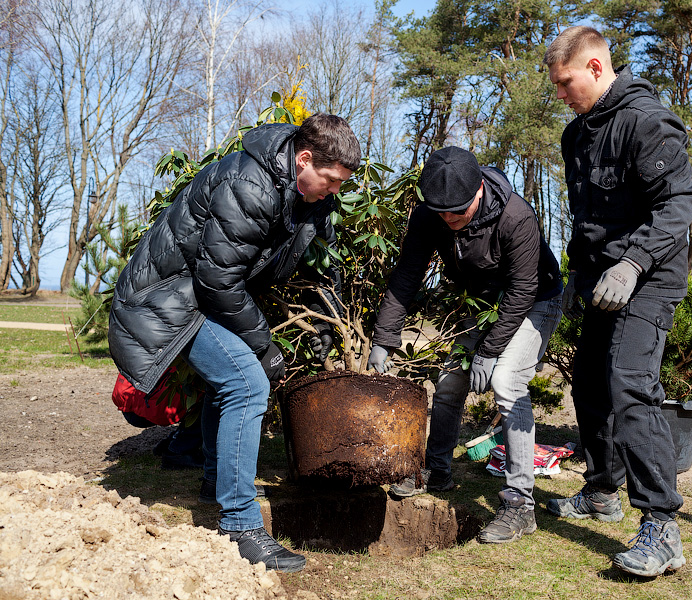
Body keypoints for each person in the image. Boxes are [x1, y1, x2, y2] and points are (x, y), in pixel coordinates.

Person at [108, 114, 360, 572]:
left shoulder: (308, 194)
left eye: (340, 183)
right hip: (166, 298)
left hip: (198, 296)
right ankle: (240, 528)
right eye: (330, 180)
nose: (334, 191)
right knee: (247, 381)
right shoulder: (252, 182)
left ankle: (214, 482)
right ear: (304, 159)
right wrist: (265, 346)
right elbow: (219, 281)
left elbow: (322, 265)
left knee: (228, 379)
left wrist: (331, 322)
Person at [543, 26, 692, 577]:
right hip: (599, 281)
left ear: (594, 68)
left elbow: (679, 206)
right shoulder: (576, 135)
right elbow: (589, 219)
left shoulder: (646, 121)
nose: (560, 95)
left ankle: (662, 527)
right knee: (588, 381)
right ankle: (603, 489)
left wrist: (632, 264)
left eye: (565, 83)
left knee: (632, 386)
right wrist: (574, 279)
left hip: (648, 276)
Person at [367, 146, 563, 544]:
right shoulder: (431, 215)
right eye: (442, 213)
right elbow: (407, 275)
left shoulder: (516, 216)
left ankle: (520, 505)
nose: (449, 221)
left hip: (536, 298)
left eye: (458, 212)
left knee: (507, 381)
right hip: (485, 301)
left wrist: (489, 352)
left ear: (478, 191)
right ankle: (437, 471)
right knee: (450, 380)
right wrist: (384, 338)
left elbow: (524, 289)